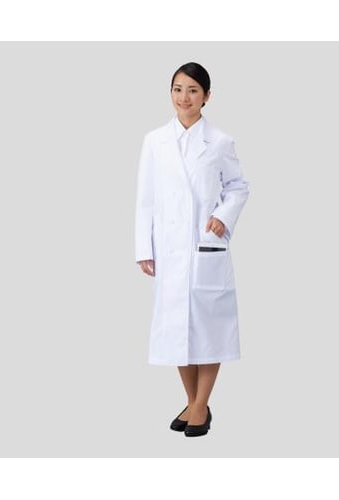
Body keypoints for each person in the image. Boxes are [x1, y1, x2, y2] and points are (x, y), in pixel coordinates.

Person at [135, 62, 249, 437]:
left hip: (205, 249)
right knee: (175, 331)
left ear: (207, 96)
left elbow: (238, 187)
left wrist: (223, 216)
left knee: (209, 329)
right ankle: (193, 401)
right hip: (169, 251)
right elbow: (145, 199)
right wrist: (144, 247)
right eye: (178, 89)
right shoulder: (155, 141)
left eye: (193, 90)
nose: (184, 98)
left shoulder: (220, 142)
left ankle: (200, 406)